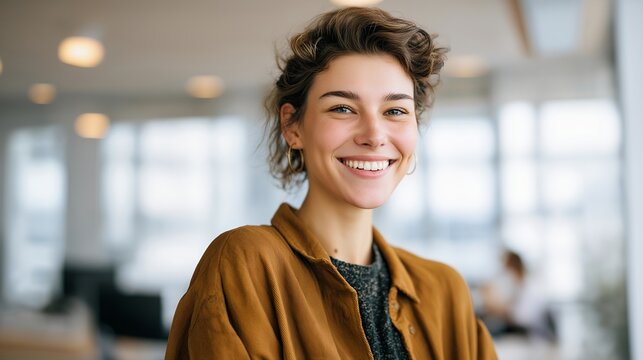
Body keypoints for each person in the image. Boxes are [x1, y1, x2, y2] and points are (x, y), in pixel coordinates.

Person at [165, 7, 497, 359]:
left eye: (395, 111)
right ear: (293, 127)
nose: (374, 135)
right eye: (342, 108)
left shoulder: (446, 291)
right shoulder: (246, 263)